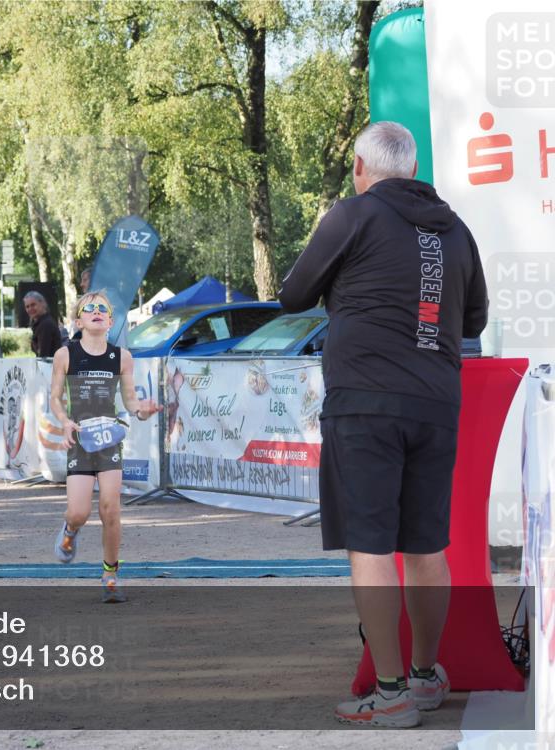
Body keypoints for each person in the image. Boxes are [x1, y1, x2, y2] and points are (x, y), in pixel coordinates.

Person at [279, 121, 488, 727]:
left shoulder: (353, 214)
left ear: (359, 168)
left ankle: (390, 692)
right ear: (414, 169)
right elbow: (473, 320)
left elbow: (293, 295)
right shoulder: (457, 229)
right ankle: (423, 677)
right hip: (435, 402)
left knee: (370, 545)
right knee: (426, 545)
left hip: (365, 403)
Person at [49, 291, 162, 603]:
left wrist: (142, 410)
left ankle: (110, 575)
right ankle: (70, 530)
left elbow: (130, 401)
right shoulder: (65, 355)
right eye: (90, 309)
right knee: (79, 512)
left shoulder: (122, 357)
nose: (96, 312)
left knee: (110, 508)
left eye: (103, 309)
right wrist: (64, 422)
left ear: (111, 321)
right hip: (79, 439)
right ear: (78, 321)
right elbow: (54, 398)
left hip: (108, 439)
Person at [24, 291, 60, 357]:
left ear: (43, 304)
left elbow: (43, 355)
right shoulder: (41, 323)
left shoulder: (46, 325)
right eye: (27, 306)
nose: (30, 309)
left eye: (33, 305)